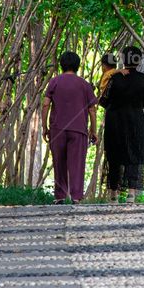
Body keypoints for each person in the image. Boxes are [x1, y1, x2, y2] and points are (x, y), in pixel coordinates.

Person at [99, 46, 144, 203]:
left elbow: (103, 100)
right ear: (138, 61)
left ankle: (114, 194)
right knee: (134, 154)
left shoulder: (114, 77)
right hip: (135, 120)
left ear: (123, 60)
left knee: (114, 155)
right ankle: (131, 193)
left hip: (115, 121)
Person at [42, 51, 98, 204]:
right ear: (77, 66)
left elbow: (46, 104)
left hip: (57, 128)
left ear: (61, 65)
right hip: (78, 129)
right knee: (77, 163)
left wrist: (44, 126)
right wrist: (94, 130)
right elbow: (92, 110)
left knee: (58, 162)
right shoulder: (84, 84)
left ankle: (60, 196)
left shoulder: (54, 82)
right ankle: (76, 197)